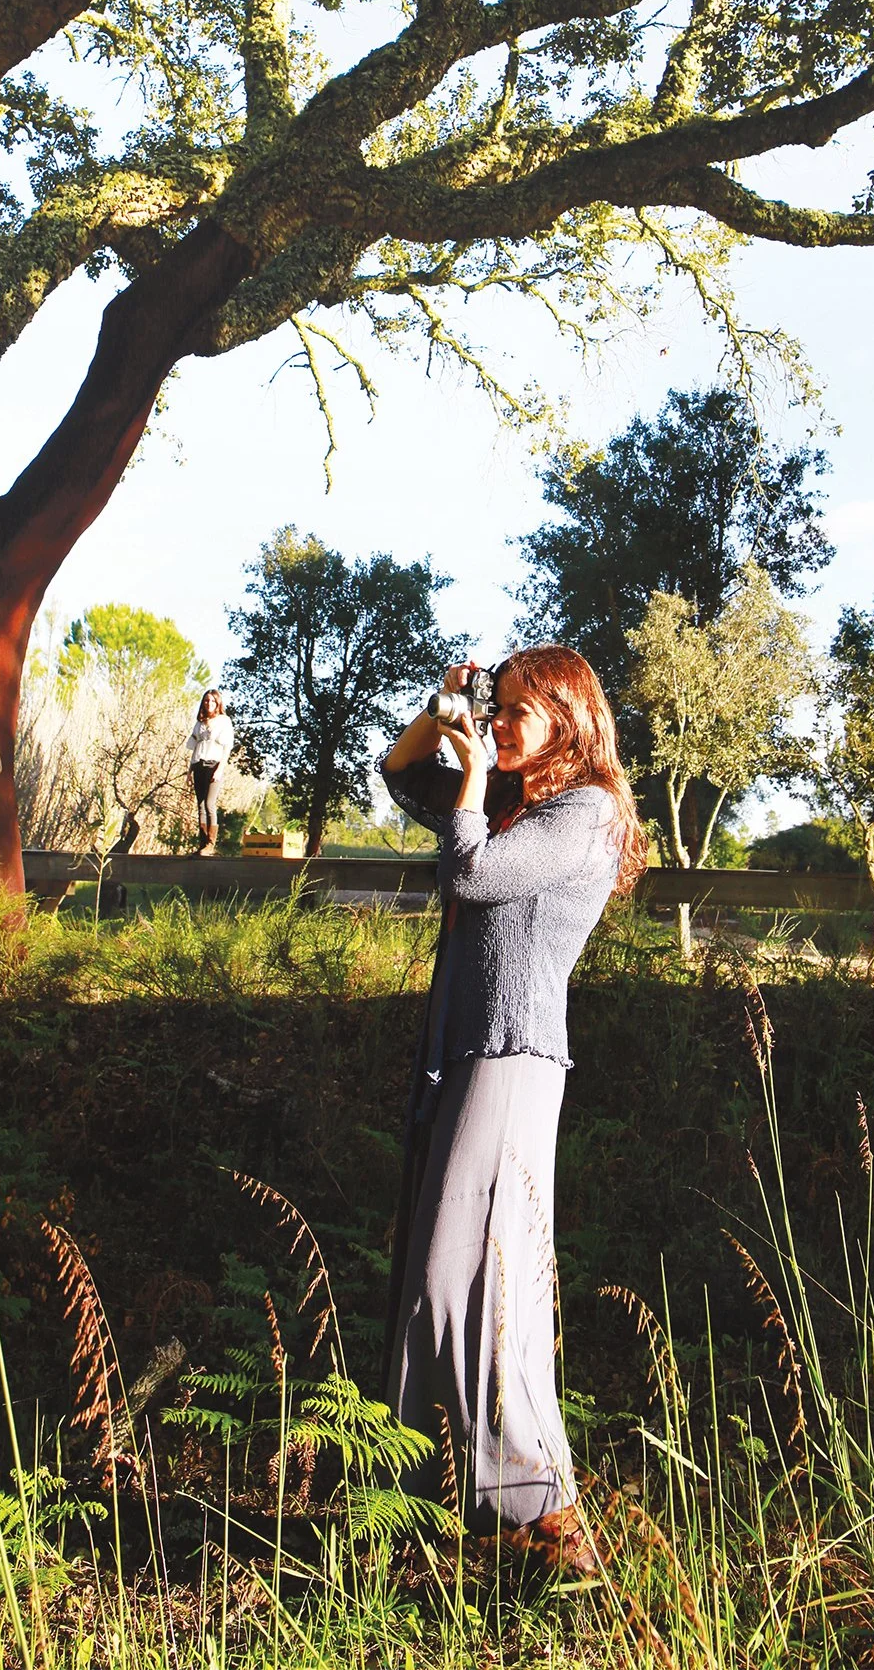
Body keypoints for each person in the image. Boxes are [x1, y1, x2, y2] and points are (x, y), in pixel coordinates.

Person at [380, 646, 647, 1573]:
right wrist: (444, 703)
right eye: (494, 707)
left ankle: (544, 1513)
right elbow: (402, 769)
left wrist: (476, 784)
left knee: (467, 1284)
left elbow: (472, 877)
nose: (496, 725)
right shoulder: (511, 796)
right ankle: (442, 1506)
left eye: (515, 710)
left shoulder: (585, 811)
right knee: (445, 1276)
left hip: (512, 1055)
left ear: (569, 716)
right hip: (463, 1053)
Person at [186, 689, 234, 855]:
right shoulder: (199, 723)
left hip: (213, 765)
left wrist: (220, 769)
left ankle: (211, 843)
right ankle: (202, 843)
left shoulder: (223, 721)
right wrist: (189, 771)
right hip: (199, 764)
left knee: (209, 804)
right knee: (200, 805)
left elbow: (227, 748)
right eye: (206, 701)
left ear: (218, 703)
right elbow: (194, 748)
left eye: (213, 701)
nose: (209, 704)